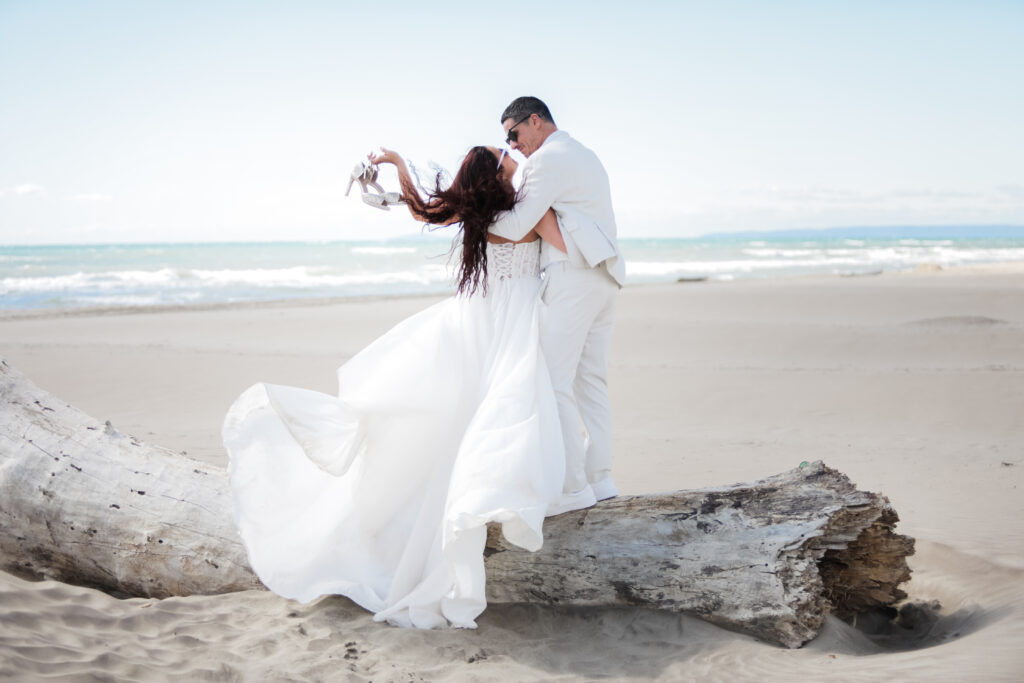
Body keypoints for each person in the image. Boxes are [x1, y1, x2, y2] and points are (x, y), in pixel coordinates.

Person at [222, 145, 568, 629]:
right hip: (508, 320)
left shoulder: (475, 211)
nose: (508, 151)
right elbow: (567, 250)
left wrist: (398, 165)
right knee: (497, 413)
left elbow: (422, 206)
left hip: (477, 318)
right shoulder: (529, 210)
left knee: (462, 423)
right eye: (500, 151)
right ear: (496, 170)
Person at [488, 96, 625, 515]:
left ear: (535, 121)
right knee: (591, 383)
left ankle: (572, 487)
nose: (513, 146)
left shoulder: (546, 161)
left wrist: (474, 213)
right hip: (606, 277)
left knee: (553, 382)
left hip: (572, 276)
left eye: (514, 134)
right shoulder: (587, 154)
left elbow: (515, 224)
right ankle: (601, 479)